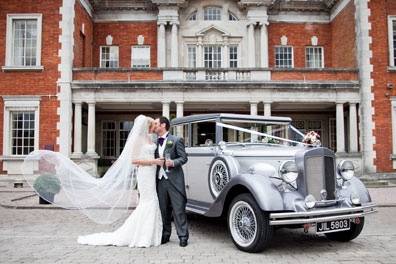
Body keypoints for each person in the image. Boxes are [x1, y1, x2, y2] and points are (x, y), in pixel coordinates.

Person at [23, 115, 166, 248]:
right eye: (154, 124)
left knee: (152, 200)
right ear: (147, 126)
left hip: (151, 174)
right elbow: (134, 160)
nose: (156, 126)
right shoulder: (138, 140)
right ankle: (142, 235)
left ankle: (151, 235)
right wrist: (153, 161)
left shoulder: (150, 139)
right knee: (147, 201)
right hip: (145, 174)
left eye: (156, 124)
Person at [154, 116, 189, 247]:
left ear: (163, 125)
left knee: (178, 209)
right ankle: (165, 234)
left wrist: (173, 162)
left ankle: (183, 236)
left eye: (156, 124)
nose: (154, 126)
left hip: (174, 180)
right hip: (160, 180)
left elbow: (184, 158)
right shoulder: (154, 142)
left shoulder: (176, 140)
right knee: (163, 210)